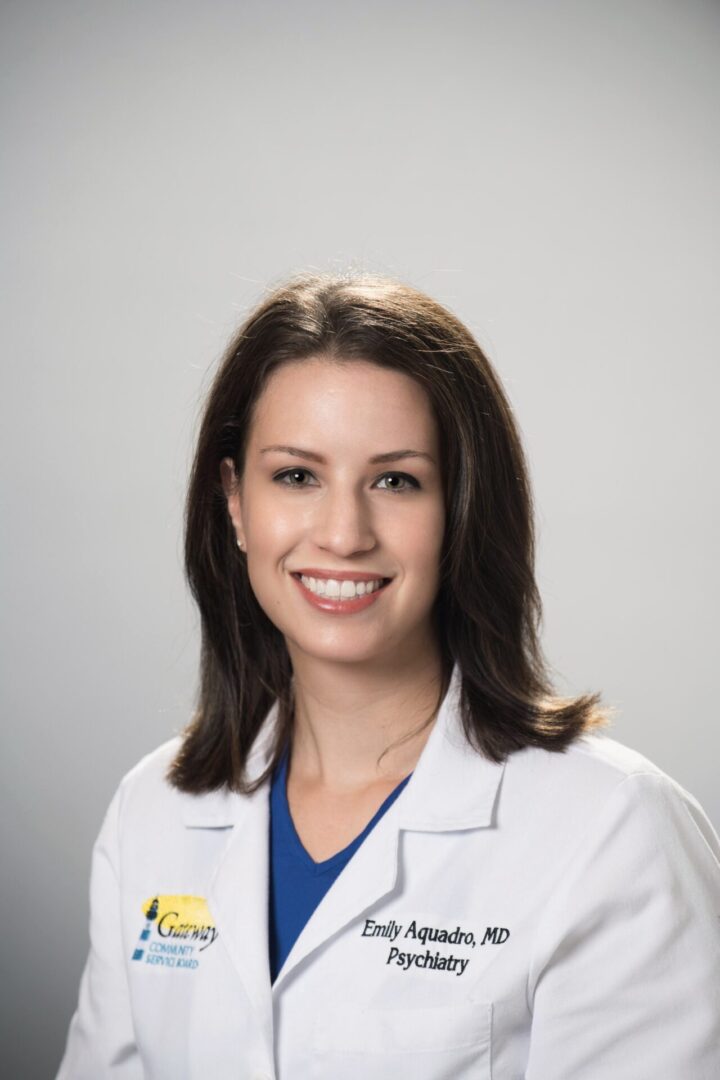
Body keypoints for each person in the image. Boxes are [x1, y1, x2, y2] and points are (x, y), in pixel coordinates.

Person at [56, 272, 720, 1080]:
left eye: (395, 481)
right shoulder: (152, 812)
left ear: (462, 509)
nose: (343, 533)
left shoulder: (613, 829)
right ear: (234, 502)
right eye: (296, 476)